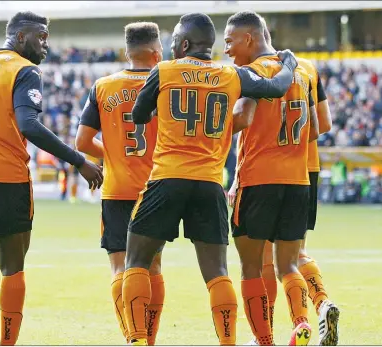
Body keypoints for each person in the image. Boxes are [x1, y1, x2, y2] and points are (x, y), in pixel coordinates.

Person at [121, 12, 298, 346]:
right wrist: (288, 64)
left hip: (167, 179)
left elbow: (140, 115)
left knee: (137, 260)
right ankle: (228, 342)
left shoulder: (165, 70)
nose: (170, 45)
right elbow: (275, 87)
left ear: (184, 43)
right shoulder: (230, 73)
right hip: (210, 183)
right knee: (217, 271)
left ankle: (138, 340)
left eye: (173, 39)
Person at [0, 11, 103, 346]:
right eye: (41, 37)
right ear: (20, 37)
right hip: (6, 177)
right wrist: (79, 161)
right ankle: (6, 343)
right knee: (12, 265)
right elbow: (29, 125)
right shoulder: (24, 70)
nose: (46, 45)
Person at [224, 10, 318, 346]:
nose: (226, 49)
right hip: (297, 181)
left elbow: (242, 117)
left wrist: (210, 130)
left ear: (249, 38)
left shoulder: (252, 73)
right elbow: (315, 130)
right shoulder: (303, 73)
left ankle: (264, 341)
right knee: (289, 265)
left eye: (230, 41)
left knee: (251, 268)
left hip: (258, 180)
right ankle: (302, 324)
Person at [75, 22, 167, 345]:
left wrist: (110, 153)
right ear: (157, 52)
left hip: (116, 190)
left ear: (127, 52)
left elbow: (82, 141)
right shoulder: (165, 83)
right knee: (152, 267)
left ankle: (133, 336)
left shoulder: (103, 86)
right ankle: (148, 339)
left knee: (120, 267)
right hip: (156, 189)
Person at [258, 17, 340, 345]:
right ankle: (323, 303)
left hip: (268, 172)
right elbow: (323, 125)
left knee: (264, 256)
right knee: (296, 252)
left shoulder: (255, 72)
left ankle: (267, 333)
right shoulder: (307, 67)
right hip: (307, 168)